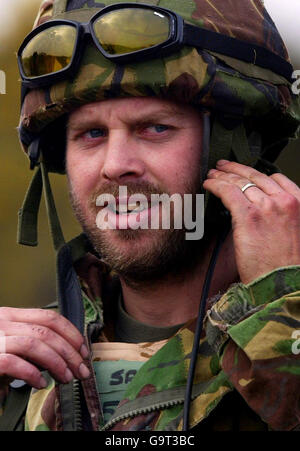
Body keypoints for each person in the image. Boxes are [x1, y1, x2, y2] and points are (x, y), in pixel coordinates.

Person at [0, 0, 299, 432]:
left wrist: (283, 308)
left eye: (155, 128)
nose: (115, 164)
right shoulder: (23, 369)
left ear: (238, 147)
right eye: (92, 134)